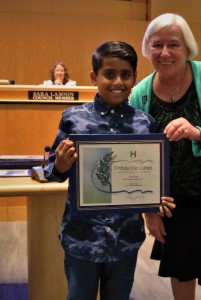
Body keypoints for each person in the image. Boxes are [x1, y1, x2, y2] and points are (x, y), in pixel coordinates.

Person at [43, 41, 175, 300]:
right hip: (82, 237)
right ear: (95, 77)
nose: (118, 81)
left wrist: (155, 200)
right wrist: (60, 165)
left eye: (126, 75)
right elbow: (50, 171)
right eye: (109, 74)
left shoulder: (145, 124)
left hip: (125, 240)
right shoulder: (74, 119)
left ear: (135, 78)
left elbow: (148, 176)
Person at [130, 13, 201, 300]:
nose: (165, 52)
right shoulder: (140, 95)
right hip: (170, 201)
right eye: (157, 45)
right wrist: (148, 211)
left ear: (187, 47)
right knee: (179, 266)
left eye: (174, 44)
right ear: (148, 48)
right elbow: (137, 159)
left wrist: (199, 134)